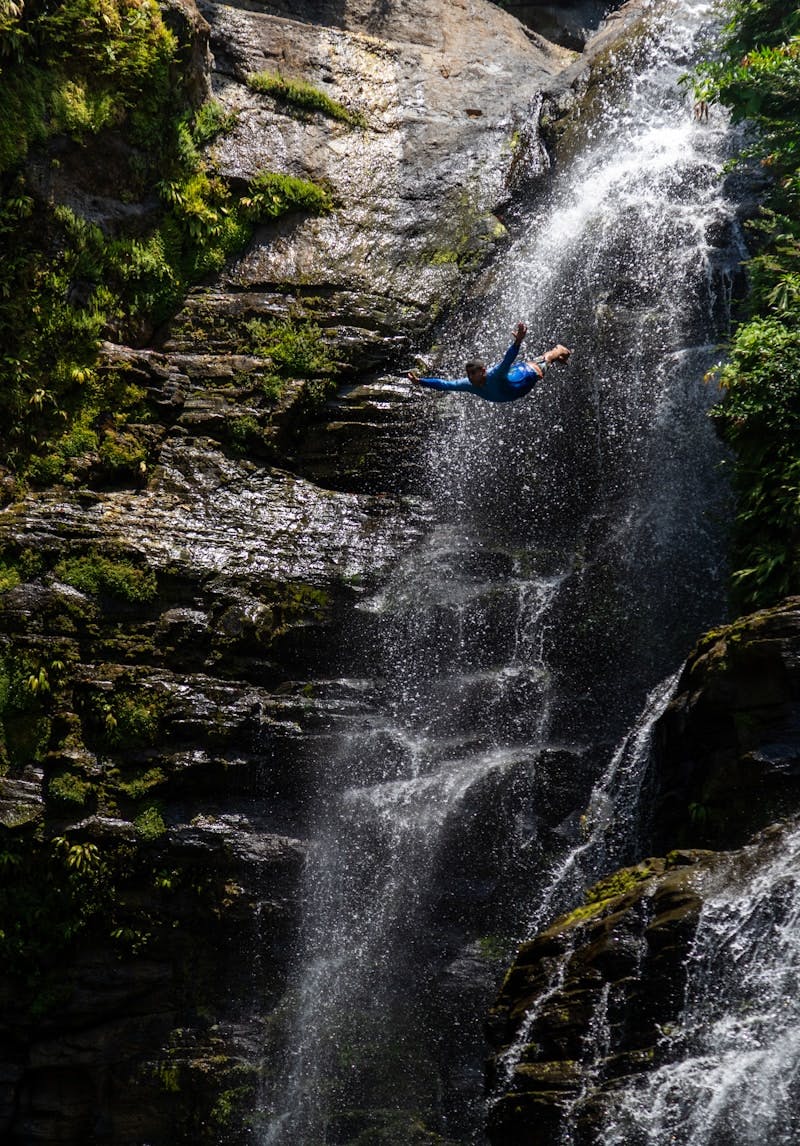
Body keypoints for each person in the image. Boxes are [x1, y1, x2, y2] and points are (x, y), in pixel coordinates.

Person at [407, 322, 571, 404]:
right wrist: (420, 381)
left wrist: (518, 341)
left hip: (527, 374)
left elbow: (508, 359)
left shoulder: (495, 374)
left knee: (548, 358)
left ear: (483, 371)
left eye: (472, 373)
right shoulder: (468, 385)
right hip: (515, 381)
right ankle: (558, 355)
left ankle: (560, 350)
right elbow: (444, 384)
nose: (469, 377)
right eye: (468, 374)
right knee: (545, 359)